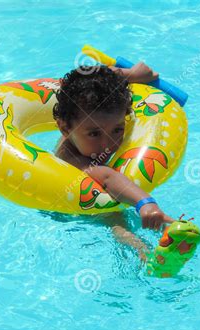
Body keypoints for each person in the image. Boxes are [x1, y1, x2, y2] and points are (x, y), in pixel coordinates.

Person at [53, 63, 175, 259]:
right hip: (75, 210)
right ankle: (142, 253)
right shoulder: (72, 157)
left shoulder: (91, 118)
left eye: (117, 130)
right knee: (116, 219)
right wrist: (145, 203)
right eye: (94, 134)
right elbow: (108, 177)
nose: (108, 143)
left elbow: (95, 80)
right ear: (65, 128)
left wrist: (129, 74)